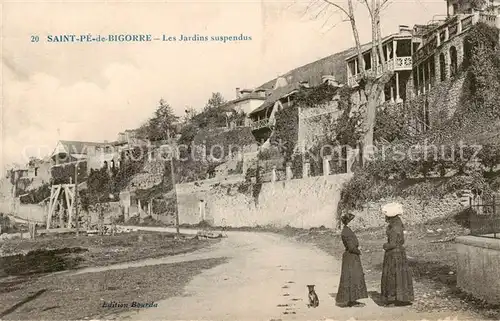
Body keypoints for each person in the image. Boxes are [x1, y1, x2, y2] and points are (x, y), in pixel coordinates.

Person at [380, 202, 414, 306]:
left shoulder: (394, 227)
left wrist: (385, 246)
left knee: (393, 276)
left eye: (386, 216)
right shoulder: (398, 224)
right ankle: (401, 297)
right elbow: (401, 241)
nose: (385, 218)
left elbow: (393, 244)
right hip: (399, 254)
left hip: (394, 255)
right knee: (400, 276)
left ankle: (393, 298)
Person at [335, 213, 368, 307]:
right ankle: (351, 301)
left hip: (351, 257)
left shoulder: (347, 230)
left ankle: (352, 300)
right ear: (349, 222)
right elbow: (351, 247)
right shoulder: (347, 232)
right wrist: (359, 251)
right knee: (352, 277)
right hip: (351, 257)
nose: (355, 223)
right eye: (353, 221)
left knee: (353, 277)